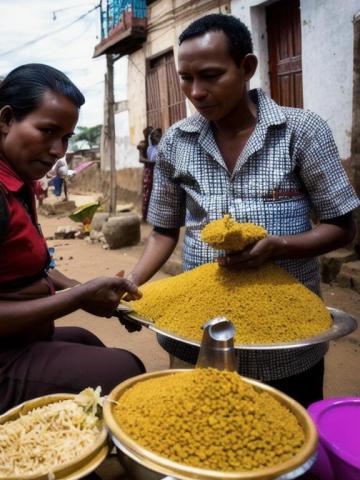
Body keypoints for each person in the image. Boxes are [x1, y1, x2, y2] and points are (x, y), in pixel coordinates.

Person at [125, 14, 359, 408]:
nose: (196, 91)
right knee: (205, 431)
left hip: (285, 331)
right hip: (197, 327)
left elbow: (341, 226)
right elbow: (164, 232)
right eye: (186, 78)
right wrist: (132, 283)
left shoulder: (301, 131)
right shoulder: (175, 144)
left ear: (247, 67)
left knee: (285, 435)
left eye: (211, 75)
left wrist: (279, 246)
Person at [0, 64, 145, 414]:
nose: (57, 150)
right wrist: (79, 296)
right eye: (47, 131)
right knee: (127, 373)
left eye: (65, 137)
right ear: (6, 119)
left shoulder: (18, 184)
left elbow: (30, 267)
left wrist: (84, 288)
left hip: (23, 337)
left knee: (88, 341)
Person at [137, 125, 154, 221]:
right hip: (148, 172)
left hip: (155, 171)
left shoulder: (155, 145)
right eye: (148, 133)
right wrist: (153, 162)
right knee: (147, 193)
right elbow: (141, 159)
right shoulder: (142, 145)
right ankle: (145, 216)